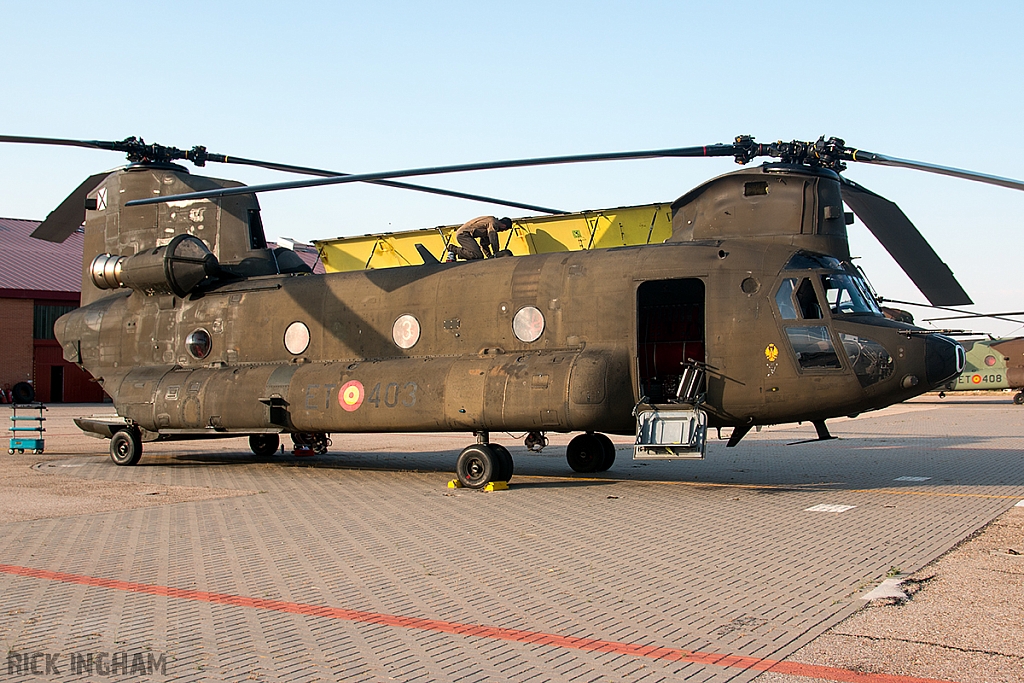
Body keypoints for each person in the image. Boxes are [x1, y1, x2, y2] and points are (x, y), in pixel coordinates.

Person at [446, 216, 513, 260]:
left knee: (477, 256)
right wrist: (496, 254)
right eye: (504, 230)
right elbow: (493, 238)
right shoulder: (493, 223)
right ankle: (452, 249)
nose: (502, 231)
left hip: (466, 234)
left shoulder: (487, 226)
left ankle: (463, 254)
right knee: (477, 255)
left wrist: (489, 256)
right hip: (463, 234)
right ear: (504, 226)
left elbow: (484, 244)